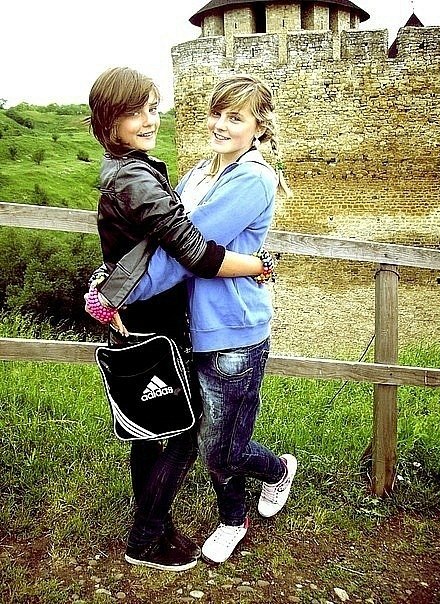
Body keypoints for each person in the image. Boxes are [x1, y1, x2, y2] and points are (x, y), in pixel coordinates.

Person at [85, 66, 275, 572]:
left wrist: (111, 287)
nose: (149, 120)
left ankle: (155, 529)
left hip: (165, 320)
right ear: (108, 120)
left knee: (162, 430)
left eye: (152, 108)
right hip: (153, 321)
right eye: (135, 112)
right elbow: (192, 252)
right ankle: (148, 537)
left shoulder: (139, 169)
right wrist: (257, 265)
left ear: (259, 126)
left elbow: (160, 247)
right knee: (176, 431)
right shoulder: (142, 175)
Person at [126, 74, 298, 565]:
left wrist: (127, 290)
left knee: (222, 447)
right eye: (216, 113)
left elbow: (189, 249)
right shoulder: (200, 172)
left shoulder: (252, 178)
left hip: (231, 330)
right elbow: (163, 235)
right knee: (208, 436)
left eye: (235, 118)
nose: (220, 125)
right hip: (188, 326)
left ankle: (277, 472)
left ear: (258, 127)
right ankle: (235, 517)